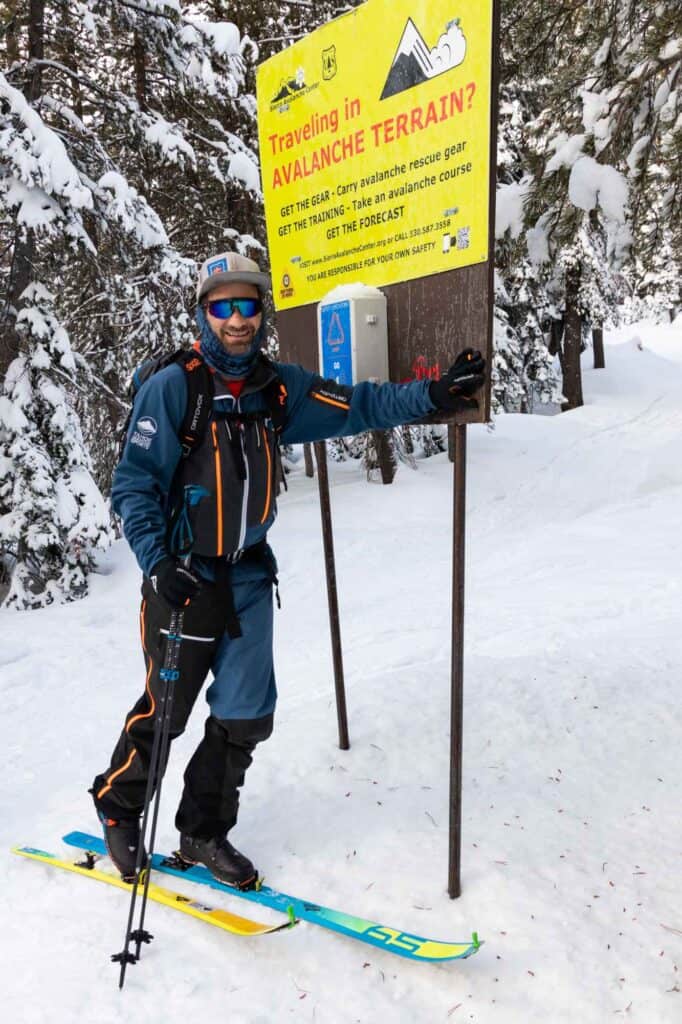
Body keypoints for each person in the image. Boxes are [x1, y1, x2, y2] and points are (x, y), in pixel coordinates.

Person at [91, 252, 486, 887]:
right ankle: (118, 807)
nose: (237, 319)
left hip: (247, 575)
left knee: (247, 714)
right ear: (205, 313)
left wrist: (434, 394)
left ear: (260, 312)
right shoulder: (174, 389)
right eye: (223, 307)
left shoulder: (279, 389)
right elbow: (134, 484)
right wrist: (157, 563)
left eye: (248, 305)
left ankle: (201, 832)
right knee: (169, 710)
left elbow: (359, 405)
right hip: (185, 578)